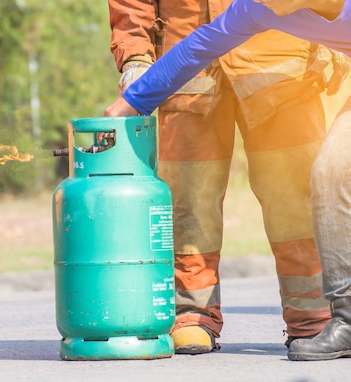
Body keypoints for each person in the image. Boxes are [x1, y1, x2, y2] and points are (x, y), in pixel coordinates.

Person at [104, 0, 351, 361]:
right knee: (328, 173)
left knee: (295, 192)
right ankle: (344, 320)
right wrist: (131, 98)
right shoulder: (256, 9)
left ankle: (312, 314)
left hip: (285, 68)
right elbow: (201, 44)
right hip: (192, 61)